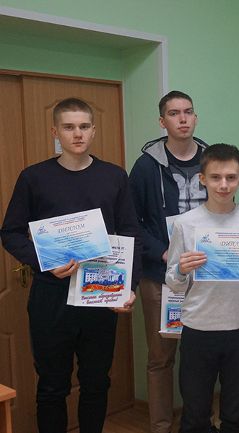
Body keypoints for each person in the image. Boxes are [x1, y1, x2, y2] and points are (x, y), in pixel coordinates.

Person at [0, 97, 141, 433]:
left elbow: (130, 232)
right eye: (69, 127)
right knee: (52, 386)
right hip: (51, 296)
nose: (77, 134)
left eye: (84, 126)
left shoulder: (114, 176)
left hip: (100, 294)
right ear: (55, 132)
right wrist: (44, 262)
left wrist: (129, 287)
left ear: (93, 130)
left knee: (97, 382)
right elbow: (11, 232)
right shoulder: (34, 177)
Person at [165, 143, 239, 433]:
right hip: (198, 328)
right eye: (215, 177)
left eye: (230, 177)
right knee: (195, 417)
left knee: (236, 417)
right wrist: (181, 269)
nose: (223, 185)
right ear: (202, 179)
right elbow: (173, 281)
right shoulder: (185, 224)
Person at [129, 90, 209, 433]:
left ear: (195, 117)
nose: (183, 118)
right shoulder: (146, 166)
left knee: (202, 355)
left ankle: (198, 423)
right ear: (162, 122)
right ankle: (161, 426)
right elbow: (131, 221)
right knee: (161, 358)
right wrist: (163, 252)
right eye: (174, 113)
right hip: (160, 275)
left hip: (206, 274)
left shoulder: (211, 160)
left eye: (188, 111)